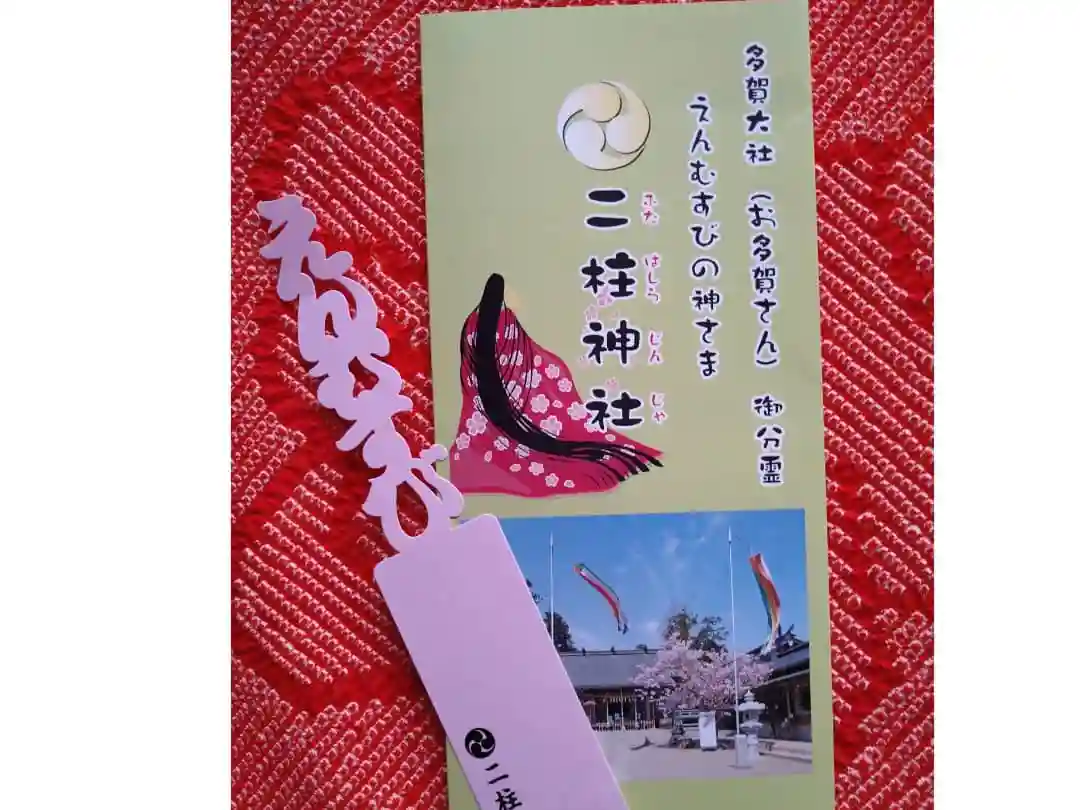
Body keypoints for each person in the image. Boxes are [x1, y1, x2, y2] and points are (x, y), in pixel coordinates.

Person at [449, 273, 663, 497]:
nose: (517, 297)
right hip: (501, 411)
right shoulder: (504, 322)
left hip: (482, 422)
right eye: (511, 292)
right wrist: (554, 367)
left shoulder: (473, 323)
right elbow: (523, 361)